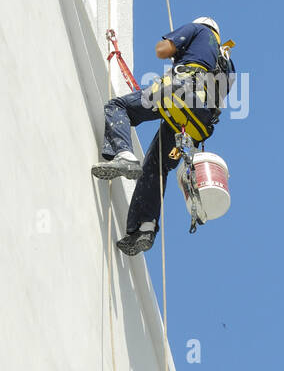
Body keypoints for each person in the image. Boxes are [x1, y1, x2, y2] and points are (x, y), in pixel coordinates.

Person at [92, 16, 226, 255]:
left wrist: (173, 51)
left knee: (118, 107)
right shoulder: (226, 60)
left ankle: (124, 154)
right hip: (198, 124)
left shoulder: (197, 30)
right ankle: (145, 227)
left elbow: (163, 50)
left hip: (179, 93)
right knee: (157, 167)